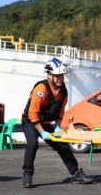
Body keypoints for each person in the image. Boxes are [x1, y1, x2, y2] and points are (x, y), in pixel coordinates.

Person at [21, 58, 94, 188]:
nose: (60, 78)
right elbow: (32, 113)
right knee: (33, 144)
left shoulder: (63, 91)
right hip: (30, 121)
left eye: (61, 75)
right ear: (49, 74)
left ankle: (76, 173)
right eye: (57, 75)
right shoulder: (41, 88)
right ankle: (27, 174)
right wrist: (42, 131)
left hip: (45, 122)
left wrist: (58, 128)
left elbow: (60, 111)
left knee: (62, 145)